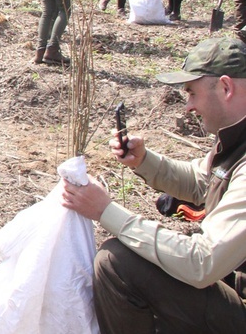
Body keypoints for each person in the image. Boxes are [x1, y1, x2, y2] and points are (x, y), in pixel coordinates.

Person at [61, 37, 246, 333]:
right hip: (231, 284)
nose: (188, 107)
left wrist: (106, 211)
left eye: (192, 93)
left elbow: (202, 263)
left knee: (117, 263)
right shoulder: (236, 138)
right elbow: (203, 181)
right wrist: (144, 161)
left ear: (225, 87)